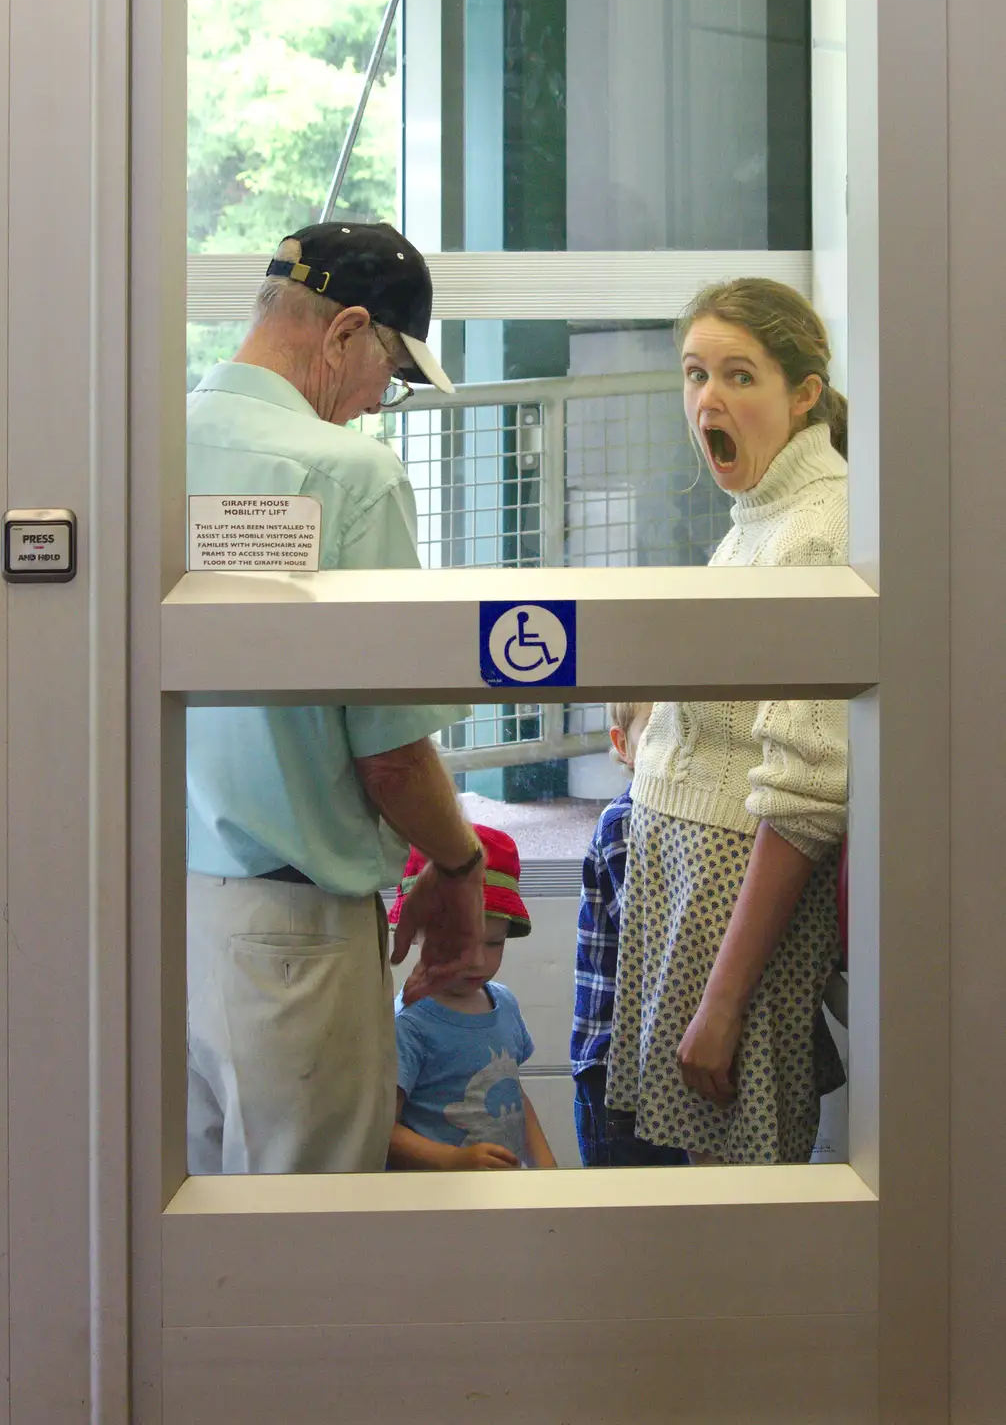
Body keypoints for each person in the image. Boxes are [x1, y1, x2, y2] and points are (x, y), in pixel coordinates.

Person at [186, 220, 487, 1176]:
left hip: (165, 919)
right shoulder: (349, 473)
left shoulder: (142, 448)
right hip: (297, 940)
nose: (374, 406)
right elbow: (390, 751)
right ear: (345, 331)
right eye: (390, 377)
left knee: (186, 1243)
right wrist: (458, 860)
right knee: (305, 1249)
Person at [605, 278, 849, 1165]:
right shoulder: (759, 516)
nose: (708, 398)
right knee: (676, 1210)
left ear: (804, 394)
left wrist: (724, 1001)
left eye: (740, 376)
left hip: (726, 922)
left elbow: (806, 797)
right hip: (684, 906)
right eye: (695, 373)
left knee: (729, 1229)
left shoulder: (819, 527)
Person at [387, 826, 557, 1172]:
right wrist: (452, 1160)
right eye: (459, 942)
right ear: (416, 930)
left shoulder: (504, 1005)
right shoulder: (409, 1024)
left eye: (494, 943)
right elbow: (380, 1130)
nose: (477, 961)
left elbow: (513, 1094)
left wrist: (546, 1168)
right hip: (438, 1209)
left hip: (502, 1198)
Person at [571, 703, 688, 1168]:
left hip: (660, 1059)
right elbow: (659, 938)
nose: (678, 748)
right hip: (616, 1069)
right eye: (658, 732)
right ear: (625, 747)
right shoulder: (627, 821)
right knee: (625, 1209)